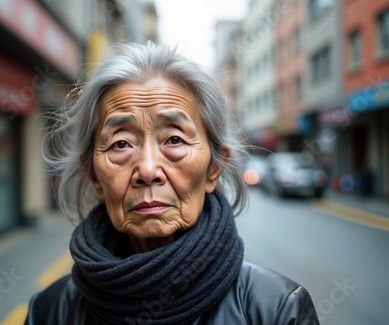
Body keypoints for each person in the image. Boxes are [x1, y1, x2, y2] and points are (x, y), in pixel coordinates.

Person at [25, 42, 319, 324]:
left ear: (214, 168)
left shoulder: (276, 309)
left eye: (175, 139)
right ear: (94, 176)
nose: (148, 170)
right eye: (121, 143)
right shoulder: (50, 311)